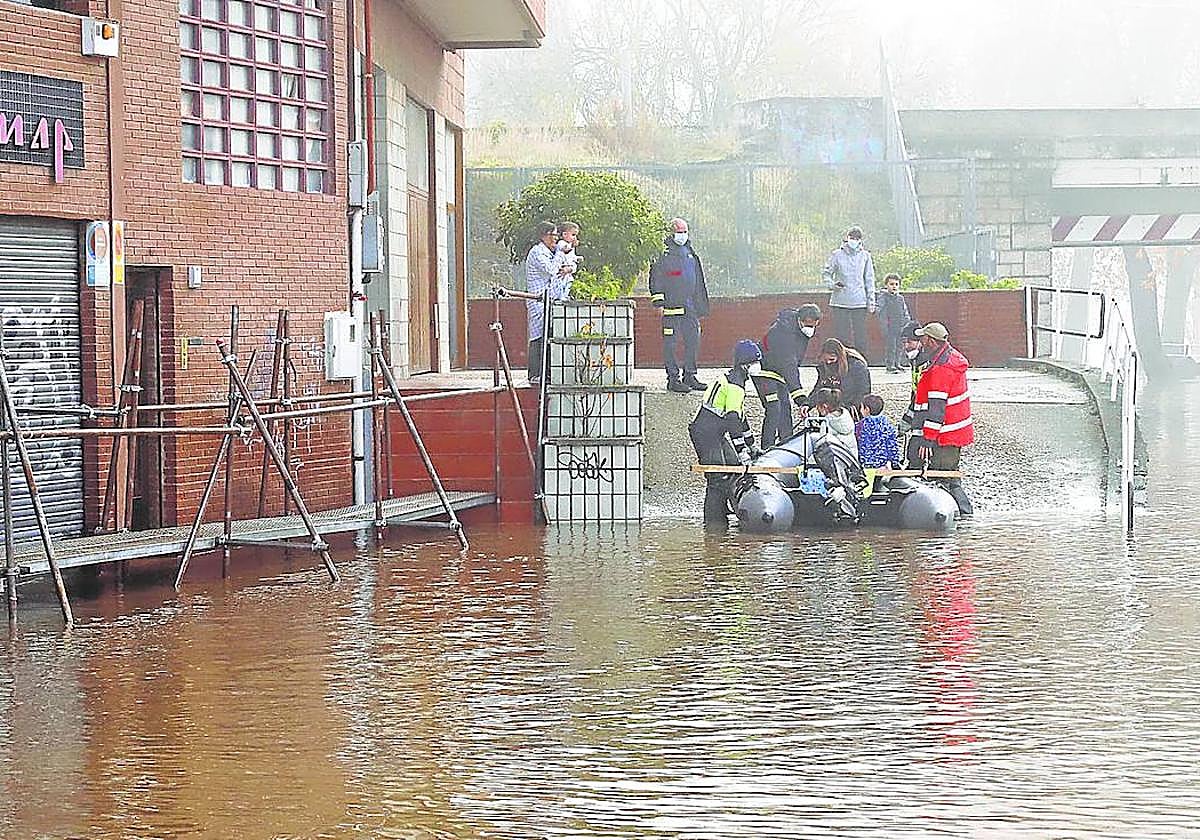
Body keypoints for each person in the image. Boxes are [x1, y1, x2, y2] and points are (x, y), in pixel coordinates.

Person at [689, 339, 762, 524]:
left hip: (715, 433)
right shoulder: (735, 385)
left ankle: (727, 513)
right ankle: (714, 524)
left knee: (735, 468)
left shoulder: (734, 380)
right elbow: (732, 420)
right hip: (706, 434)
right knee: (717, 478)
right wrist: (743, 451)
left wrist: (752, 446)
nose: (757, 366)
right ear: (745, 365)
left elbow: (740, 417)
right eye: (754, 363)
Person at [911, 322, 974, 515]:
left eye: (923, 338)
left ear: (931, 341)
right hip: (952, 430)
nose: (920, 342)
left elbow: (937, 408)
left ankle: (963, 514)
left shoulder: (942, 368)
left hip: (946, 433)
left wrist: (928, 439)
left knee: (944, 476)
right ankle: (961, 514)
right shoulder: (946, 360)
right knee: (947, 474)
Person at [650, 218, 710, 394]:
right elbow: (657, 279)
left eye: (685, 231)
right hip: (671, 309)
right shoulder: (663, 254)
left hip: (690, 308)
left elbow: (697, 280)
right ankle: (673, 379)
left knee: (693, 341)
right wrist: (658, 302)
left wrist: (701, 305)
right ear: (671, 232)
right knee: (671, 344)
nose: (682, 235)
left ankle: (690, 375)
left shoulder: (690, 251)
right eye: (679, 231)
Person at [753, 303, 822, 448]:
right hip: (764, 372)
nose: (811, 329)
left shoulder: (798, 330)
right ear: (800, 319)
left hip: (780, 373)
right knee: (774, 408)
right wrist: (802, 400)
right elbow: (790, 367)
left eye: (814, 325)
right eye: (808, 325)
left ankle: (787, 444)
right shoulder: (785, 334)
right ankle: (767, 447)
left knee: (785, 408)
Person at [821, 226, 876, 358]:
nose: (854, 240)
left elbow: (869, 279)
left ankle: (861, 360)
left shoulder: (865, 256)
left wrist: (871, 301)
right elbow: (826, 273)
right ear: (847, 238)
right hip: (840, 301)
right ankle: (842, 360)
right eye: (852, 237)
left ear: (860, 240)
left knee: (860, 334)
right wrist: (833, 285)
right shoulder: (836, 254)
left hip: (860, 301)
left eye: (857, 238)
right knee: (842, 334)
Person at [525, 221, 570, 383]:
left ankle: (547, 372)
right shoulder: (537, 252)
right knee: (538, 336)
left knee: (549, 335)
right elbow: (552, 270)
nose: (555, 239)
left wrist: (567, 267)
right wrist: (559, 253)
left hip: (550, 300)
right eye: (553, 235)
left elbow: (568, 267)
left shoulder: (550, 253)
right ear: (543, 235)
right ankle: (535, 374)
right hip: (538, 301)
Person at [809, 337, 871, 418]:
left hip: (849, 410)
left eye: (831, 359)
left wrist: (852, 408)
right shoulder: (824, 366)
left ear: (839, 356)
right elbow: (819, 388)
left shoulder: (856, 366)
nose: (828, 362)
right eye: (826, 360)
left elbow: (864, 391)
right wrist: (808, 404)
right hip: (829, 410)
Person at [897, 320, 927, 463]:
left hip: (927, 411)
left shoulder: (924, 360)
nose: (906, 346)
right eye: (904, 343)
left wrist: (907, 420)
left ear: (920, 341)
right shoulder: (916, 359)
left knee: (916, 450)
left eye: (910, 342)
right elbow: (916, 392)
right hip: (919, 407)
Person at [876, 273, 911, 373]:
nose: (894, 286)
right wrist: (883, 324)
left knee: (900, 346)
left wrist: (907, 322)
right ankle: (890, 365)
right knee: (891, 346)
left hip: (900, 326)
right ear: (886, 285)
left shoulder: (900, 298)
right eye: (891, 284)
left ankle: (897, 363)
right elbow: (880, 311)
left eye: (896, 284)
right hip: (889, 326)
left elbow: (905, 311)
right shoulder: (883, 297)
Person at [855, 394, 901, 469]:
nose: (860, 410)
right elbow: (892, 447)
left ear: (867, 409)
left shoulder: (860, 426)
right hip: (884, 466)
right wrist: (895, 462)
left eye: (861, 407)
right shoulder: (888, 426)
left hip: (866, 466)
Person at [812, 387, 859, 459]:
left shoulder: (826, 424)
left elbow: (821, 447)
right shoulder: (847, 417)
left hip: (835, 463)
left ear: (824, 406)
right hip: (851, 460)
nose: (816, 408)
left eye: (817, 406)